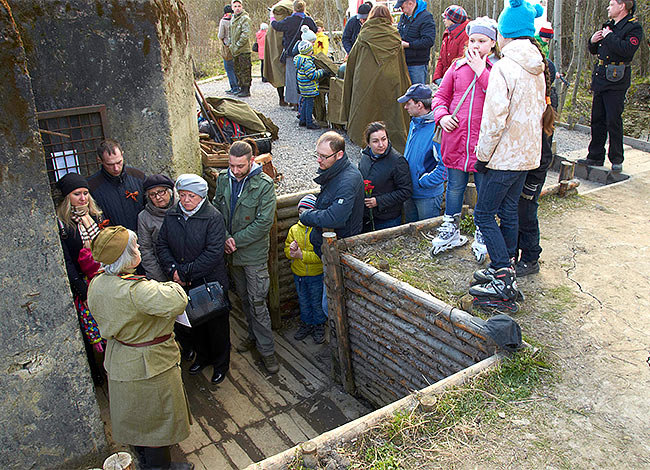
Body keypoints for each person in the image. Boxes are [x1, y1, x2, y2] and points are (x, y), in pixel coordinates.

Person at [469, 0, 554, 312]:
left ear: (505, 33)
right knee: (510, 212)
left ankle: (502, 274)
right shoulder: (537, 66)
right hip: (527, 156)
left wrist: (482, 155)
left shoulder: (505, 67)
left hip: (503, 157)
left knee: (483, 214)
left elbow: (494, 119)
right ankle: (506, 269)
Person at [87, 226, 192, 470]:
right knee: (155, 424)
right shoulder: (136, 290)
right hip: (150, 364)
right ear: (125, 258)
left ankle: (151, 463)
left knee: (139, 418)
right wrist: (170, 285)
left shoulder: (97, 283)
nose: (138, 250)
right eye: (134, 247)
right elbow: (178, 300)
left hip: (122, 356)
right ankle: (159, 468)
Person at [429, 16, 498, 259]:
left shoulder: (497, 70)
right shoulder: (456, 67)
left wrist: (481, 72)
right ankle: (451, 226)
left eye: (482, 40)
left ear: (492, 43)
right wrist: (442, 116)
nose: (475, 45)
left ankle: (482, 228)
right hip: (456, 141)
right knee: (455, 187)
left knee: (483, 188)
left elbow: (499, 98)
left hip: (482, 145)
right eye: (472, 40)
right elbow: (440, 97)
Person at [156, 174, 231, 385]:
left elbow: (214, 253)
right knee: (194, 325)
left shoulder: (213, 217)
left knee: (217, 328)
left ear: (201, 197)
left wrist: (185, 273)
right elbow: (162, 245)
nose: (186, 200)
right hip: (183, 281)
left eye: (191, 196)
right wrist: (172, 270)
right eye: (182, 195)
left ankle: (220, 364)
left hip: (209, 284)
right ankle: (203, 357)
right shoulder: (172, 215)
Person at [212, 141, 279, 374]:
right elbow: (216, 209)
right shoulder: (223, 179)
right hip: (233, 254)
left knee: (258, 302)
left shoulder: (264, 185)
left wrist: (234, 241)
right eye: (231, 165)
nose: (236, 171)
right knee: (243, 297)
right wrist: (226, 236)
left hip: (253, 255)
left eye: (240, 166)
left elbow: (263, 223)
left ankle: (268, 351)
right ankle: (252, 337)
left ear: (251, 162)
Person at [577, 0, 643, 173]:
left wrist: (609, 36)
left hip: (617, 78)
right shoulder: (608, 26)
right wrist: (593, 41)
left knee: (613, 119)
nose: (608, 7)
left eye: (612, 4)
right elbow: (596, 50)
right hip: (601, 76)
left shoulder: (633, 28)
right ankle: (595, 155)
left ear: (622, 6)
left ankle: (616, 158)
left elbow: (627, 49)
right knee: (597, 118)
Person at [56, 173, 105, 384]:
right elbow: (67, 261)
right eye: (77, 194)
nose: (83, 198)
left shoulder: (95, 217)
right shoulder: (64, 226)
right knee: (91, 329)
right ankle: (97, 373)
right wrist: (81, 290)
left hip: (102, 276)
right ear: (68, 197)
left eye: (85, 193)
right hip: (83, 282)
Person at [342, 4, 411, 153]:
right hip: (391, 80)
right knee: (391, 111)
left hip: (366, 79)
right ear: (388, 17)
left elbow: (352, 60)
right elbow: (401, 64)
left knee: (367, 110)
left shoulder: (364, 34)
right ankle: (390, 143)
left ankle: (367, 143)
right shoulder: (394, 35)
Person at [516, 59, 559, 277]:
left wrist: (533, 181)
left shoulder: (544, 107)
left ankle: (531, 257)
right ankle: (513, 254)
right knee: (514, 212)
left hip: (534, 171)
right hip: (521, 167)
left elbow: (545, 154)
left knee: (527, 212)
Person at [300, 131, 364, 256]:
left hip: (340, 249)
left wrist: (306, 215)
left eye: (323, 156)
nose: (319, 160)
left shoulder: (348, 181)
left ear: (339, 154)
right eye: (317, 154)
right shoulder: (333, 171)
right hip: (327, 246)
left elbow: (335, 218)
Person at [398, 83, 447, 221]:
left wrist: (424, 182)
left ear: (419, 105)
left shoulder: (437, 129)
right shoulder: (415, 122)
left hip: (427, 196)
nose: (405, 107)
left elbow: (445, 167)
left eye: (408, 103)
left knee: (427, 235)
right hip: (410, 191)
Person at [284, 194, 326, 344]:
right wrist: (291, 251)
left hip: (316, 275)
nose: (303, 216)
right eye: (300, 212)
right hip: (299, 274)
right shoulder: (294, 230)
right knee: (303, 301)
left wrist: (301, 255)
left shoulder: (319, 231)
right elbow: (287, 250)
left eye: (307, 212)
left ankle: (319, 325)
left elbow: (320, 256)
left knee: (316, 301)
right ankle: (306, 323)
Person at [358, 121, 413, 231]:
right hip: (367, 216)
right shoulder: (365, 157)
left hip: (388, 219)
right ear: (368, 143)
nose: (381, 144)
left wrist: (378, 201)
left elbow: (406, 191)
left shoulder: (397, 161)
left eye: (384, 139)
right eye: (375, 141)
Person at [88, 139, 145, 232]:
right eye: (110, 164)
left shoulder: (138, 177)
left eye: (119, 162)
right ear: (100, 161)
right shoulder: (92, 186)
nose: (116, 168)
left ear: (122, 154)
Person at [271, 0, 318, 110]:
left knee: (292, 78)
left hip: (291, 53)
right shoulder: (308, 20)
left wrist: (271, 18)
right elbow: (315, 30)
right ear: (304, 8)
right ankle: (304, 101)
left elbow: (277, 26)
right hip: (306, 53)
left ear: (294, 8)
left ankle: (295, 102)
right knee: (305, 77)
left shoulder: (289, 20)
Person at [137, 174, 177, 282]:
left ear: (170, 191)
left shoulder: (183, 207)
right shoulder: (144, 217)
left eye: (161, 192)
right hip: (163, 272)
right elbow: (145, 250)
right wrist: (159, 279)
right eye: (152, 195)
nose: (158, 197)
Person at [395, 0, 437, 84]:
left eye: (402, 7)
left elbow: (428, 41)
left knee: (417, 94)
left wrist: (409, 45)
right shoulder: (404, 17)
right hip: (403, 62)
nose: (401, 10)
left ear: (410, 3)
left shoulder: (426, 17)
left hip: (417, 65)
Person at [432, 5, 470, 85]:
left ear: (452, 20)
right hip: (446, 79)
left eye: (446, 18)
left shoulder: (465, 35)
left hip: (457, 81)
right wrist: (437, 77)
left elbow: (461, 61)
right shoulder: (448, 33)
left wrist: (450, 81)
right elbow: (441, 58)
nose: (444, 20)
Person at [294, 40, 326, 130]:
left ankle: (302, 120)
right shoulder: (307, 62)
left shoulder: (299, 60)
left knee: (305, 102)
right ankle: (309, 122)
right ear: (308, 52)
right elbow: (312, 75)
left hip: (303, 86)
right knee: (309, 104)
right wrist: (322, 72)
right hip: (309, 87)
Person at [230, 0, 252, 98]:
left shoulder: (245, 18)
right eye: (235, 6)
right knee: (237, 69)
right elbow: (231, 34)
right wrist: (231, 45)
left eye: (239, 6)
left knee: (245, 70)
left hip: (243, 50)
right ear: (232, 8)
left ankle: (246, 89)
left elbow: (245, 34)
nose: (237, 8)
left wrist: (237, 45)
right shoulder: (232, 19)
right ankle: (241, 87)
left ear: (242, 7)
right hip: (235, 50)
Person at [218, 4, 240, 95]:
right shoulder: (236, 19)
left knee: (229, 68)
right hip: (237, 47)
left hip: (227, 47)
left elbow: (220, 35)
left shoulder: (223, 21)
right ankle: (239, 86)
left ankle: (234, 87)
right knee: (236, 68)